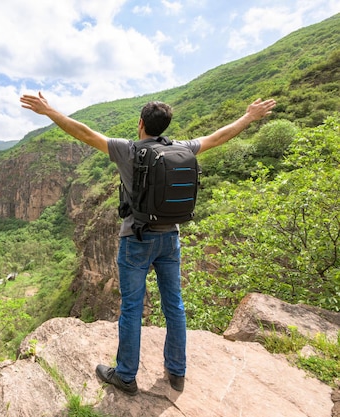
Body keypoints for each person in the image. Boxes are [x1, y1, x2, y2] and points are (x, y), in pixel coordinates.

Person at [20, 92, 276, 395]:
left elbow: (84, 133)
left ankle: (126, 375)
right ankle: (177, 372)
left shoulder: (127, 150)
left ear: (140, 123)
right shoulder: (182, 148)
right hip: (170, 239)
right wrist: (248, 116)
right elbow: (218, 137)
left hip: (136, 240)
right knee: (175, 306)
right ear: (164, 127)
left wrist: (50, 111)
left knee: (131, 308)